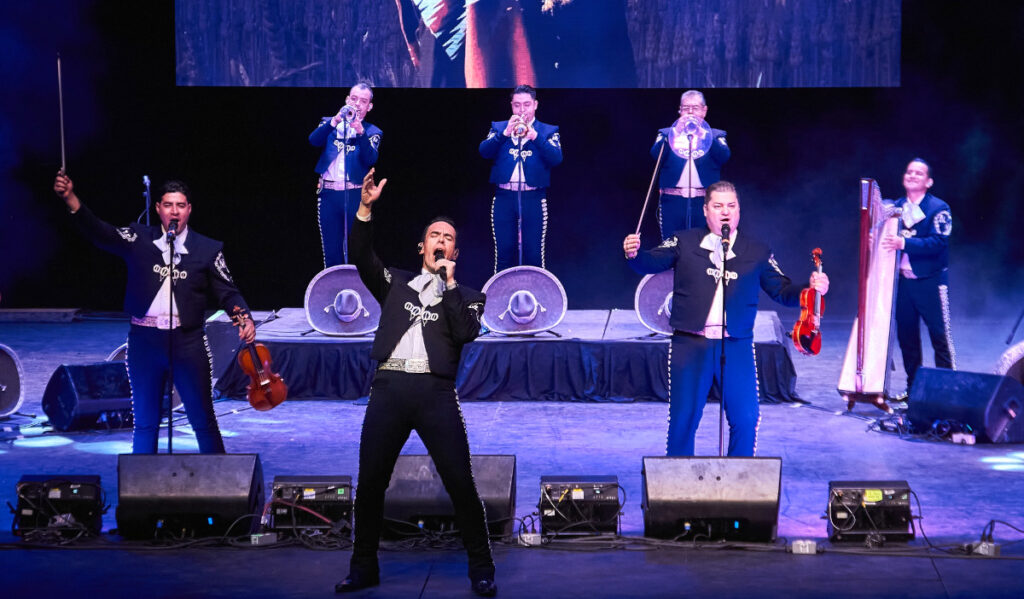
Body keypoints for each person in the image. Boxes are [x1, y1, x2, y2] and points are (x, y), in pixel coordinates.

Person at [335, 169, 496, 597]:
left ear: (454, 250)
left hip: (434, 394)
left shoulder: (468, 295)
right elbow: (360, 253)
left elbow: (465, 333)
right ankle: (363, 567)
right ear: (421, 245)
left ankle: (481, 568)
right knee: (370, 482)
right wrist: (365, 207)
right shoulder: (395, 282)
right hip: (389, 388)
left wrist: (450, 284)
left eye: (447, 237)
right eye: (433, 235)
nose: (439, 240)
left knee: (461, 483)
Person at [53, 172, 255, 454]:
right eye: (168, 205)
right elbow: (102, 233)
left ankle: (219, 490)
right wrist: (71, 199)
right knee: (145, 423)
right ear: (158, 208)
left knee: (203, 420)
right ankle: (141, 495)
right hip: (144, 341)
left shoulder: (207, 249)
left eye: (181, 205)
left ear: (189, 210)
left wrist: (242, 317)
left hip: (188, 343)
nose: (174, 211)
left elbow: (228, 291)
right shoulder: (139, 238)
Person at [623, 181, 828, 456]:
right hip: (691, 344)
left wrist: (810, 288)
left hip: (736, 345)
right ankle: (677, 487)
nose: (725, 212)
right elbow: (649, 262)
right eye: (718, 206)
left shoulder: (757, 251)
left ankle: (739, 485)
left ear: (739, 211)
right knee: (683, 421)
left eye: (731, 206)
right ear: (706, 210)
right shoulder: (684, 241)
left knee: (745, 418)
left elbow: (782, 290)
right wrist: (633, 253)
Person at [881, 158, 955, 392]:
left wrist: (904, 242)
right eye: (909, 171)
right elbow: (884, 236)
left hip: (930, 282)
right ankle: (914, 389)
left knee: (939, 337)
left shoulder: (939, 208)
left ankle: (945, 389)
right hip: (904, 283)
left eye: (919, 173)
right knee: (907, 339)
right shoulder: (895, 208)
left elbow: (938, 242)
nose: (912, 175)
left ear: (929, 181)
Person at [479, 84, 562, 274]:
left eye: (526, 104)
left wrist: (534, 136)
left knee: (533, 254)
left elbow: (556, 158)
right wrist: (504, 134)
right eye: (517, 105)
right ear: (511, 106)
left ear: (535, 105)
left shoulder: (548, 130)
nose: (522, 110)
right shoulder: (499, 127)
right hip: (504, 197)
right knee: (504, 253)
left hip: (533, 198)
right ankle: (500, 301)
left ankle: (536, 301)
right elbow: (484, 151)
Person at [309, 82, 383, 267]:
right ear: (347, 99)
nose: (357, 104)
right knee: (331, 253)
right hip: (329, 194)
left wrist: (360, 132)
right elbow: (313, 140)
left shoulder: (372, 131)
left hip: (355, 195)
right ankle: (335, 294)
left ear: (369, 107)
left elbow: (370, 158)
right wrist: (334, 121)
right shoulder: (329, 122)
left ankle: (358, 293)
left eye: (363, 101)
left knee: (356, 251)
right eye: (354, 98)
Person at [652, 90, 730, 239]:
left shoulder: (716, 135)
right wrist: (674, 133)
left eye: (695, 108)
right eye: (686, 108)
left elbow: (724, 156)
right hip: (673, 200)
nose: (690, 113)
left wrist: (704, 135)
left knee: (704, 245)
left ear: (704, 110)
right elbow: (655, 155)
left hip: (704, 201)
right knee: (671, 245)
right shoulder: (666, 133)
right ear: (680, 111)